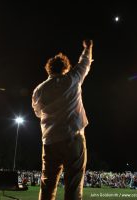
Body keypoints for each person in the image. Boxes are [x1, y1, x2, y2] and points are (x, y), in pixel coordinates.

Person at [32, 40, 93, 200]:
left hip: (50, 142)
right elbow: (85, 63)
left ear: (48, 69)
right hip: (73, 138)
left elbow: (38, 113)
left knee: (47, 187)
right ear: (66, 68)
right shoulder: (72, 79)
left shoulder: (39, 90)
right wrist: (87, 48)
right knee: (73, 187)